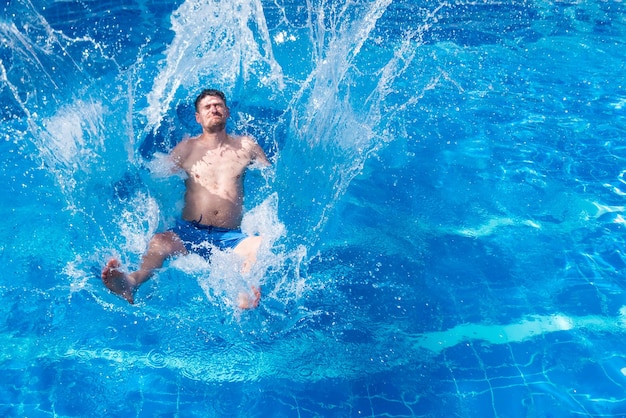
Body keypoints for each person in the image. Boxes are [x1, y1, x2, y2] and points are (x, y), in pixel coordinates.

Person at [102, 89, 270, 309]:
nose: (214, 109)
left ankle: (244, 292)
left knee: (259, 245)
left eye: (218, 105)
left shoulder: (246, 146)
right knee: (159, 242)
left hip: (231, 236)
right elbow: (156, 179)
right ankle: (131, 281)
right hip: (190, 232)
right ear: (198, 118)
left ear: (227, 112)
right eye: (207, 107)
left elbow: (271, 179)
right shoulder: (187, 148)